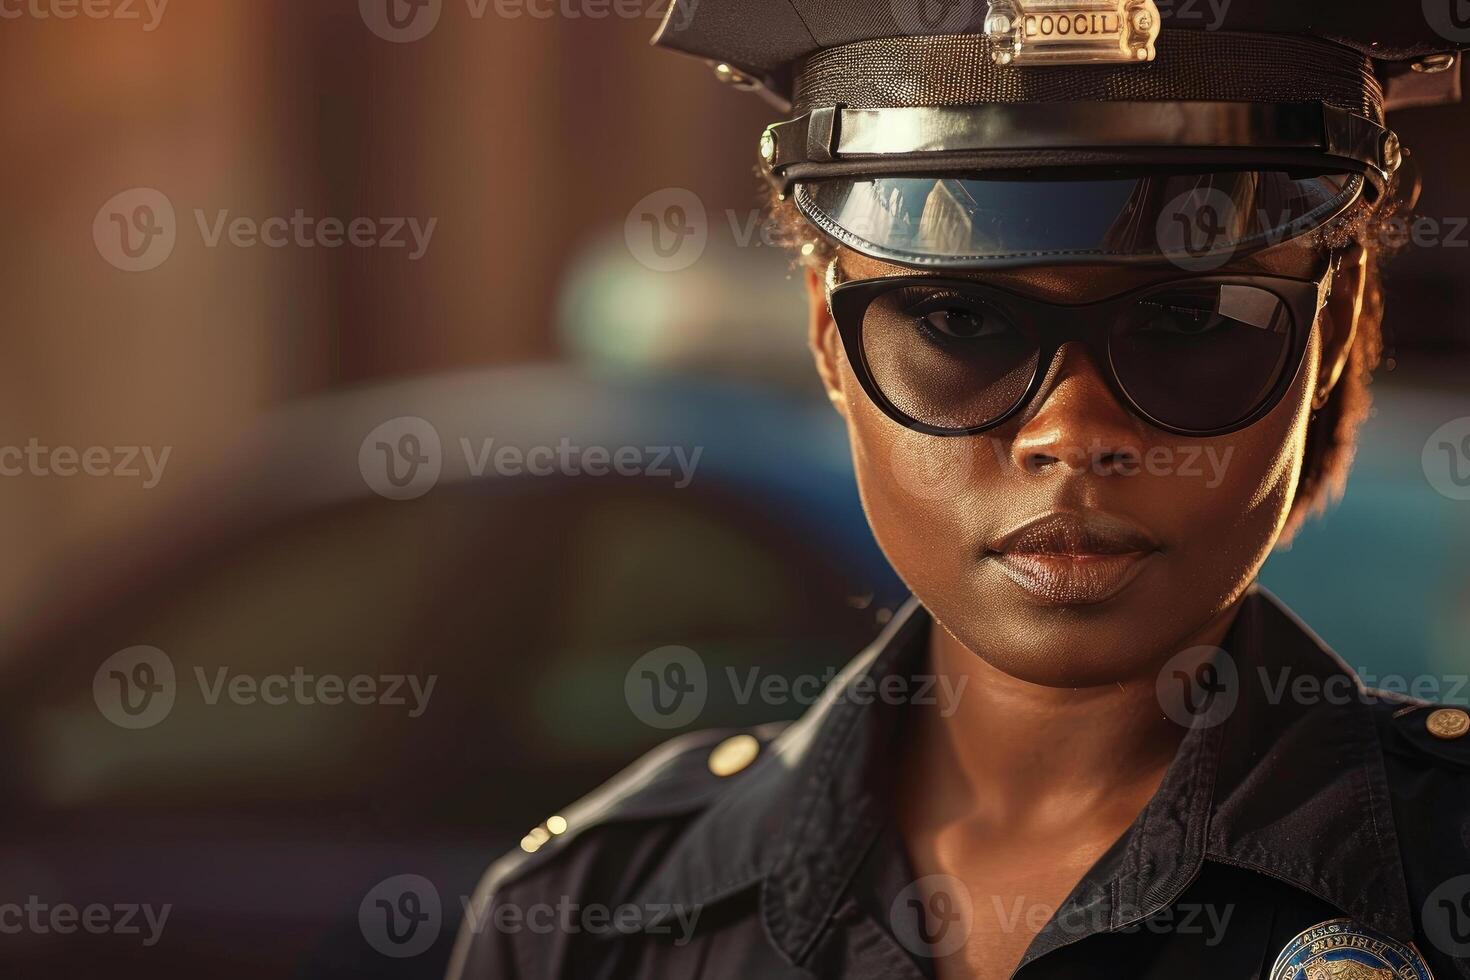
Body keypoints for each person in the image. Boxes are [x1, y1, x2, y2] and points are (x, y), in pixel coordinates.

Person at [448, 2, 1470, 977]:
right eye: (958, 321)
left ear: (1329, 335)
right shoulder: (590, 925)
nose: (1073, 433)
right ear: (825, 332)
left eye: (1193, 320)